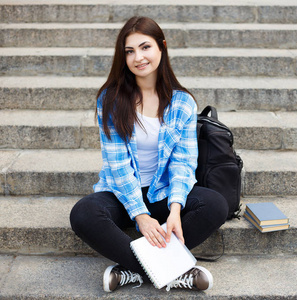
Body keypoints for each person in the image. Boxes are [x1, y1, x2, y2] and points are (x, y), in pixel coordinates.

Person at [69, 16, 229, 293]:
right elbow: (117, 166)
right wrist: (140, 215)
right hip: (121, 194)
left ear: (161, 48)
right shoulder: (110, 99)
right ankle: (171, 272)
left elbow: (184, 161)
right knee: (84, 213)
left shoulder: (182, 102)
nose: (138, 57)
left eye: (145, 47)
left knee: (215, 204)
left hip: (163, 194)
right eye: (129, 51)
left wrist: (176, 208)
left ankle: (130, 272)